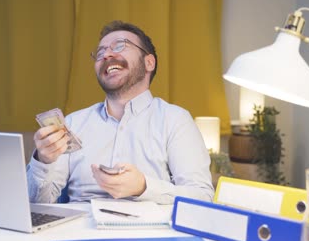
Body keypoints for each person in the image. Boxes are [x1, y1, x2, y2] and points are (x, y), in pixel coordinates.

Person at [27, 20, 214, 204]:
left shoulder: (176, 119)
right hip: (78, 229)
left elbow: (202, 196)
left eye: (119, 46)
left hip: (148, 232)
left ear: (149, 62)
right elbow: (38, 203)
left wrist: (143, 187)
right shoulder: (74, 122)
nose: (106, 55)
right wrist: (43, 161)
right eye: (100, 52)